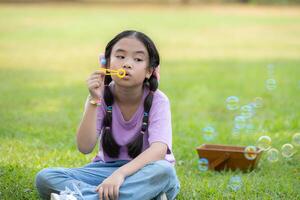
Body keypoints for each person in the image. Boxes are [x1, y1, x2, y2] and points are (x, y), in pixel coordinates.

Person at [35, 30, 180, 200]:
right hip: (105, 170)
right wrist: (94, 100)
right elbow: (84, 147)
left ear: (149, 71)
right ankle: (139, 194)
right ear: (107, 64)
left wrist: (120, 175)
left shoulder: (158, 100)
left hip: (146, 171)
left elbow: (158, 151)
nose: (127, 64)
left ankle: (84, 197)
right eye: (120, 56)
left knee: (164, 171)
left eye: (138, 59)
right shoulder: (100, 97)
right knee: (46, 177)